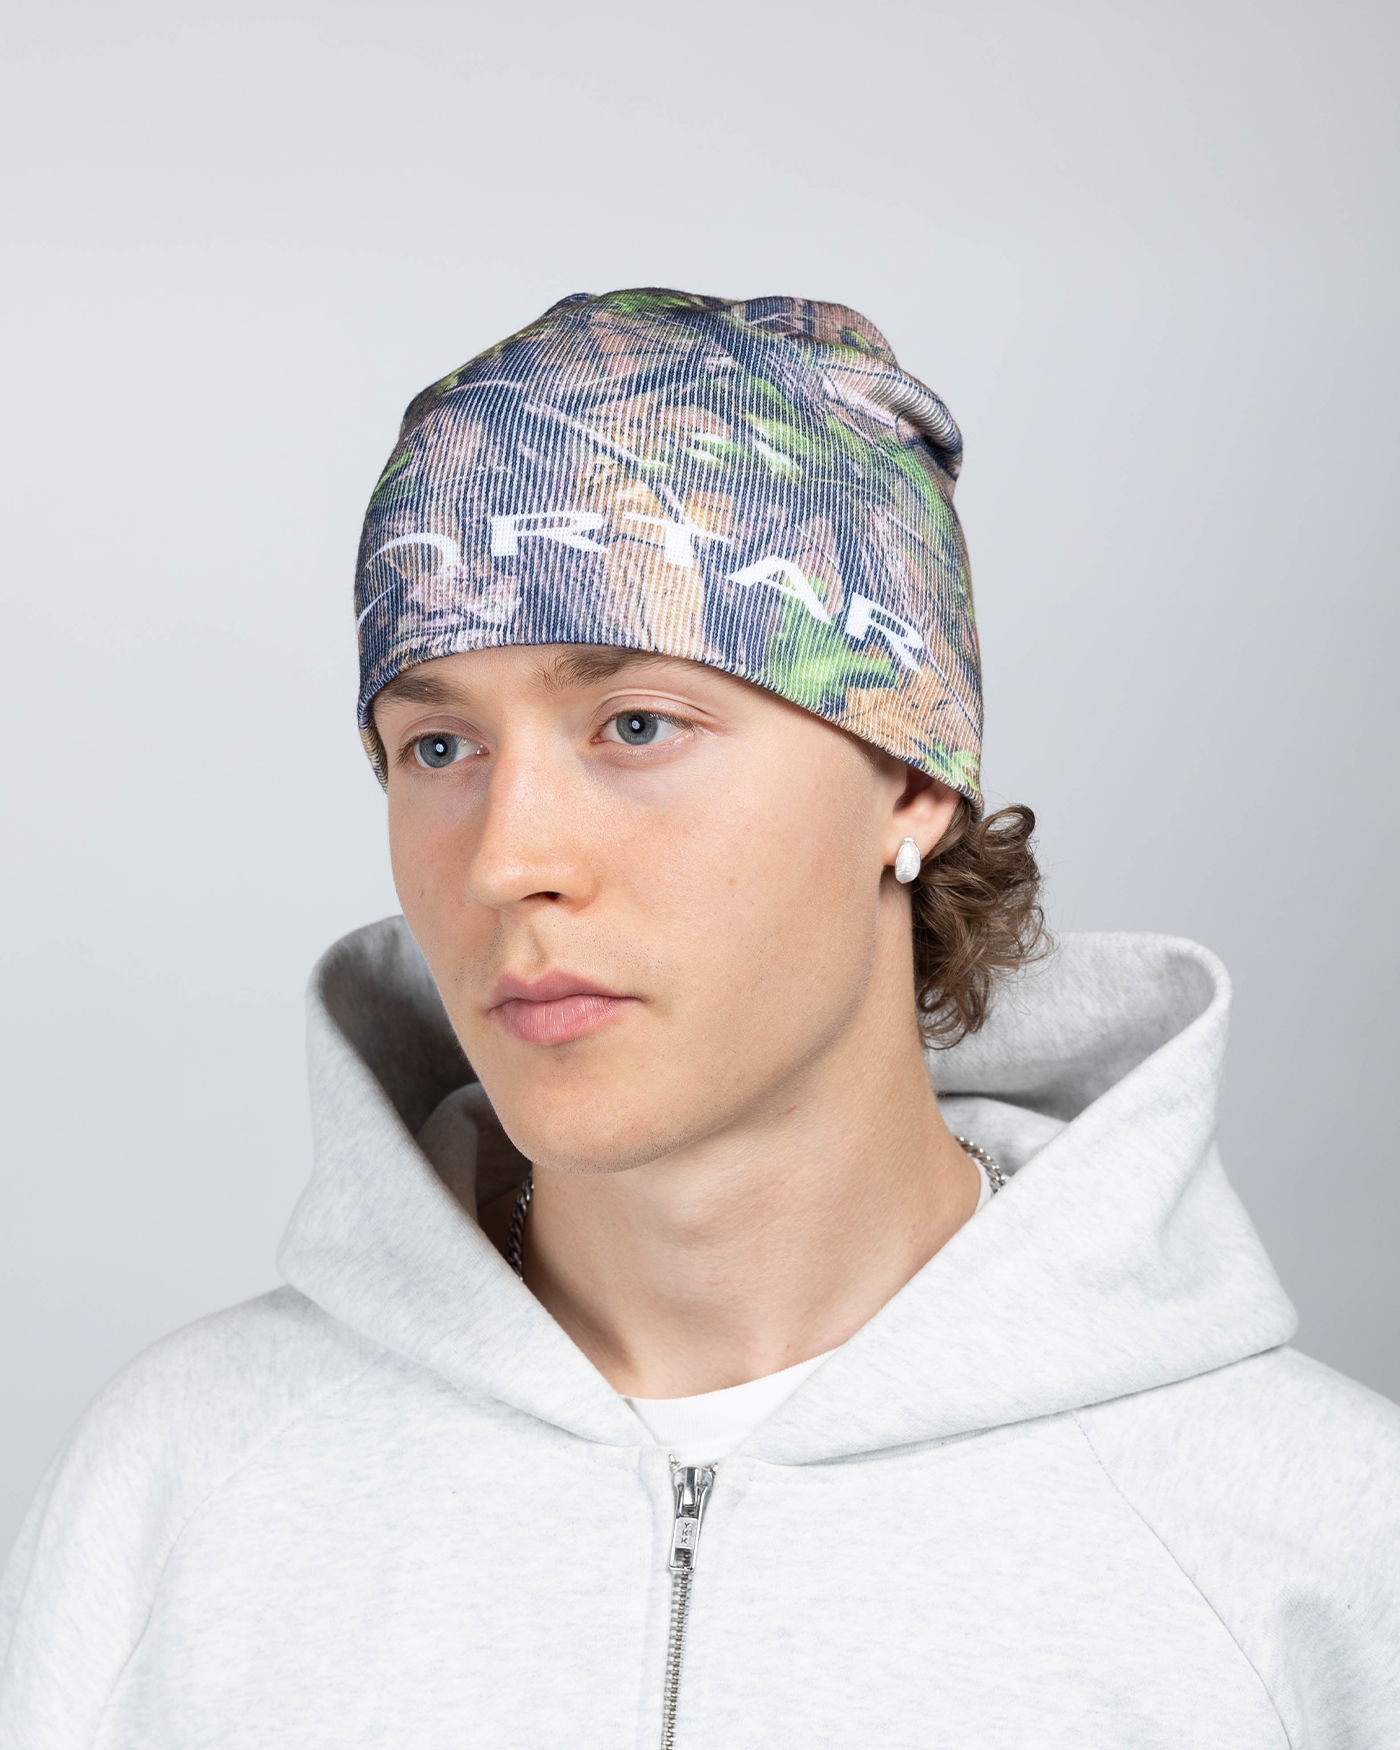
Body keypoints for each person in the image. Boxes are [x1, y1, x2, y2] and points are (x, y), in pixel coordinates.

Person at [2, 289, 1396, 1748]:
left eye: (637, 725)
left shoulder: (1312, 1551)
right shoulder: (178, 1496)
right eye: (439, 744)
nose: (506, 859)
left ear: (913, 779)